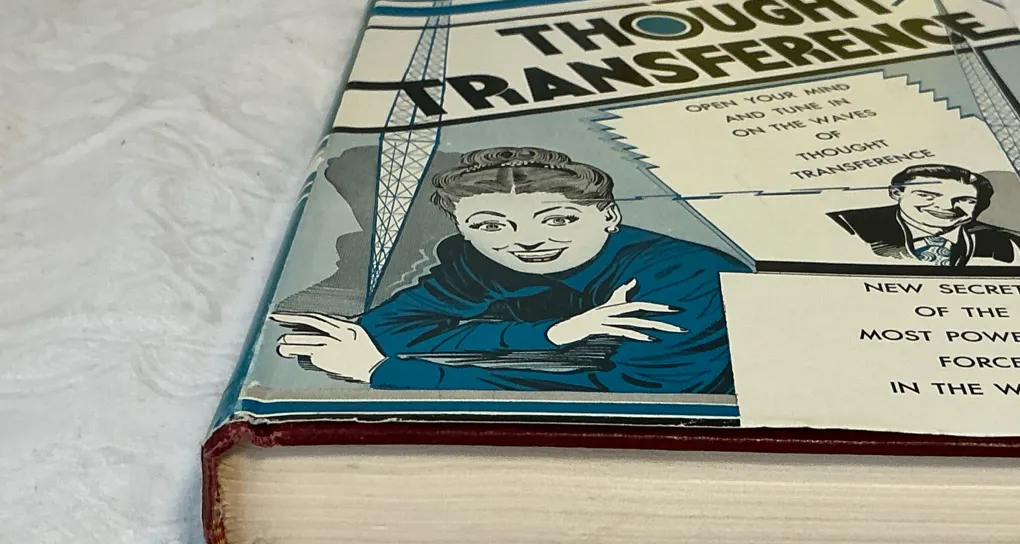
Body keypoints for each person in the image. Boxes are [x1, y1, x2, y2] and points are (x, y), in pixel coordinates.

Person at [272, 146, 739, 393]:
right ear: (463, 228)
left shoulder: (682, 277)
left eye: (558, 219)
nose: (527, 241)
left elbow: (623, 398)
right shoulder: (483, 257)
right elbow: (393, 327)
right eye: (490, 225)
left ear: (609, 216)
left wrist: (382, 372)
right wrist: (553, 333)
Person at [828, 163, 1020, 266]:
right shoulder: (848, 229)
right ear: (896, 193)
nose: (946, 207)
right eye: (927, 195)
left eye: (965, 200)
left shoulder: (1008, 245)